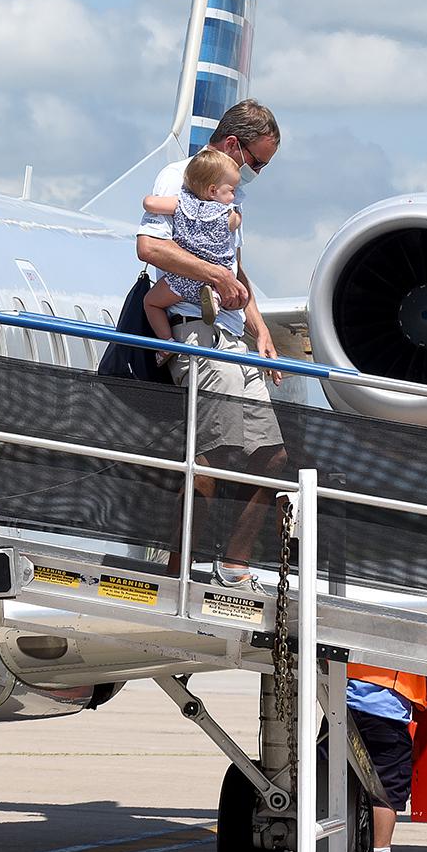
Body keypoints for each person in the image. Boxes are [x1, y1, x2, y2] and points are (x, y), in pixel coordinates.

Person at [135, 99, 285, 588]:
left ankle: (234, 563)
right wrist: (212, 274)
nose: (256, 172)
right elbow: (150, 246)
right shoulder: (180, 178)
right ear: (233, 145)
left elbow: (236, 272)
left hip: (234, 332)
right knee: (217, 452)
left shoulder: (228, 196)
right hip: (195, 326)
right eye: (257, 162)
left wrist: (260, 328)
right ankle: (178, 569)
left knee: (272, 455)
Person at [140, 148, 242, 357]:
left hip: (183, 277)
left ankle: (166, 344)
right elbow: (235, 221)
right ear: (213, 191)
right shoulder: (225, 213)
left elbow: (149, 203)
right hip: (214, 276)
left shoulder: (181, 204)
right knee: (239, 295)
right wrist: (234, 211)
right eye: (232, 190)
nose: (234, 196)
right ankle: (214, 297)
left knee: (150, 302)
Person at [333, 664, 427, 852]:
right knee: (387, 789)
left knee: (332, 777)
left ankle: (326, 847)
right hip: (386, 712)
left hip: (345, 704)